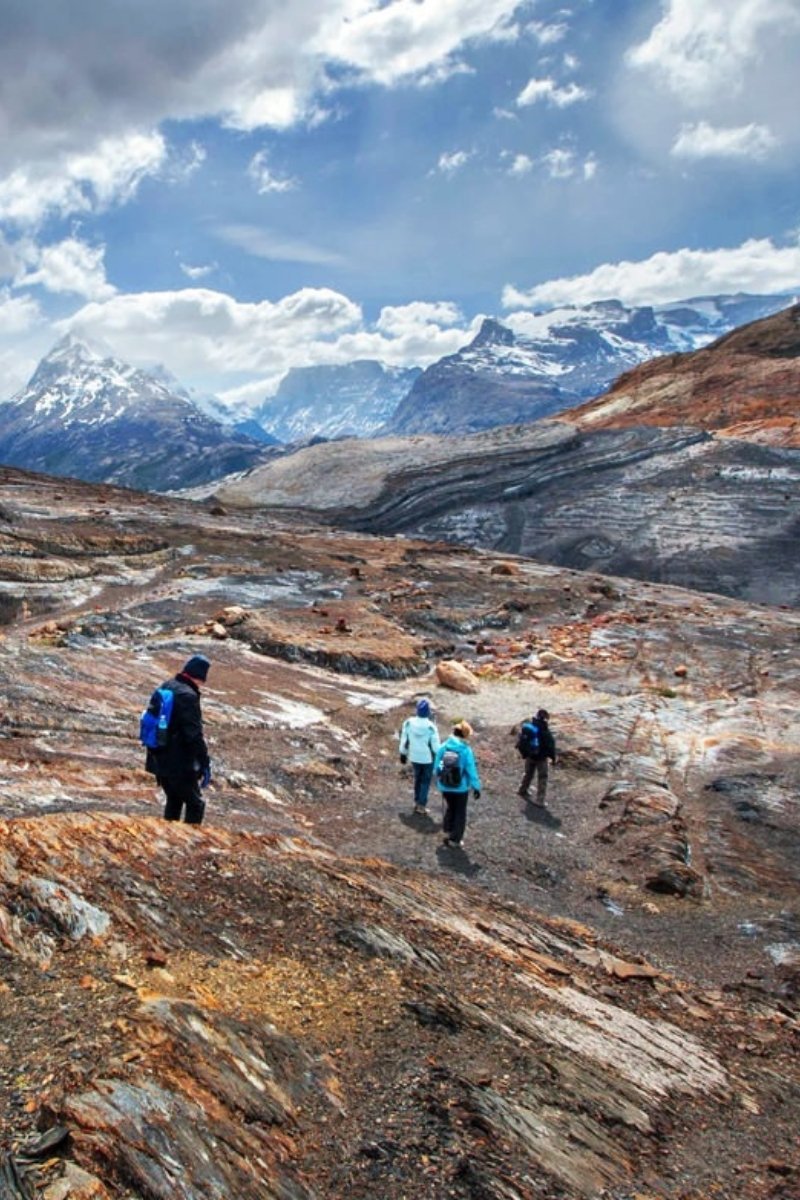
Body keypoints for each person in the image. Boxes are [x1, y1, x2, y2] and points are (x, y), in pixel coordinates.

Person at [145, 655, 212, 825]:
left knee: (174, 800)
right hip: (178, 762)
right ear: (199, 677)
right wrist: (204, 762)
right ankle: (189, 839)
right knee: (196, 804)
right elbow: (193, 735)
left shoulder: (167, 685)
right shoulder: (188, 696)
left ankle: (168, 833)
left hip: (158, 756)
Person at [433, 720, 481, 847]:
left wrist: (439, 777)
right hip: (460, 788)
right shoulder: (466, 750)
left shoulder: (443, 747)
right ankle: (455, 840)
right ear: (465, 735)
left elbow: (437, 767)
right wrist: (476, 787)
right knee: (460, 812)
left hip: (445, 786)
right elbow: (471, 770)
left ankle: (448, 829)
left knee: (451, 807)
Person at [399, 698, 441, 814]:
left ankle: (417, 801)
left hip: (414, 757)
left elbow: (404, 740)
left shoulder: (408, 723)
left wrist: (403, 753)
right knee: (425, 781)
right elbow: (436, 748)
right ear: (428, 712)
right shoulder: (431, 727)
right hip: (428, 758)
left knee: (417, 778)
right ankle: (421, 805)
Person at [517, 708, 557, 806]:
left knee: (528, 773)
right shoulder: (545, 731)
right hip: (541, 758)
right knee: (542, 777)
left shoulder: (530, 727)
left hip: (530, 755)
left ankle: (522, 790)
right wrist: (553, 758)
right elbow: (550, 746)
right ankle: (540, 800)